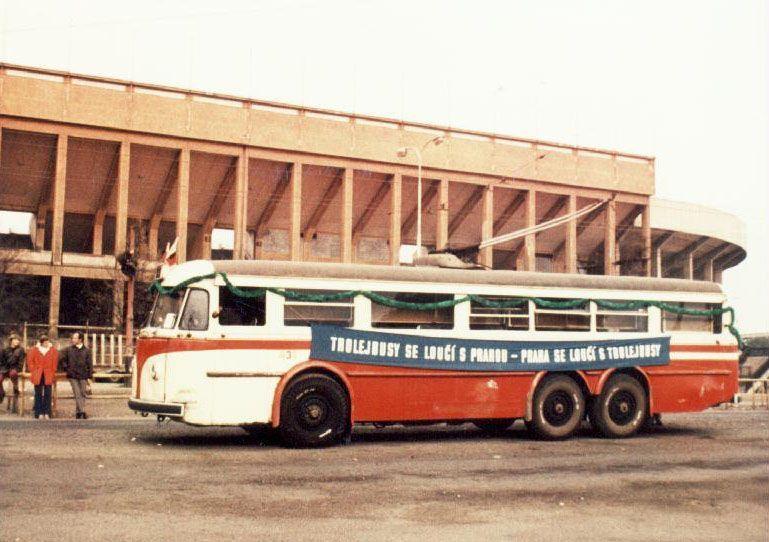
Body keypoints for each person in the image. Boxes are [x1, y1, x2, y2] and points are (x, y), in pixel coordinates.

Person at [59, 332, 93, 419]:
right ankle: (82, 411)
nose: (73, 340)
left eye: (75, 338)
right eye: (73, 338)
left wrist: (89, 376)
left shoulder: (87, 351)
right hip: (72, 375)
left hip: (83, 375)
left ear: (80, 339)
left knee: (82, 394)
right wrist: (66, 368)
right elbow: (61, 358)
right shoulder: (68, 349)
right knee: (77, 393)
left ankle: (78, 412)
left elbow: (90, 364)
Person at [27, 334, 58, 419]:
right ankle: (39, 412)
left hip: (48, 373)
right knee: (38, 393)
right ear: (41, 342)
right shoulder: (34, 350)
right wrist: (33, 370)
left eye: (47, 341)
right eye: (45, 342)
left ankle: (47, 412)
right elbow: (30, 361)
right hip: (38, 373)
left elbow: (55, 362)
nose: (46, 343)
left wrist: (53, 370)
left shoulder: (53, 350)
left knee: (48, 393)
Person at [0, 335, 25, 412]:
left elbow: (21, 362)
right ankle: (1, 392)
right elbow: (1, 361)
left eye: (18, 340)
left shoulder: (20, 350)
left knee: (13, 374)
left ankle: (15, 386)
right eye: (15, 340)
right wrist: (2, 368)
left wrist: (18, 369)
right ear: (11, 340)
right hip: (5, 369)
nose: (17, 341)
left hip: (14, 368)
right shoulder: (5, 349)